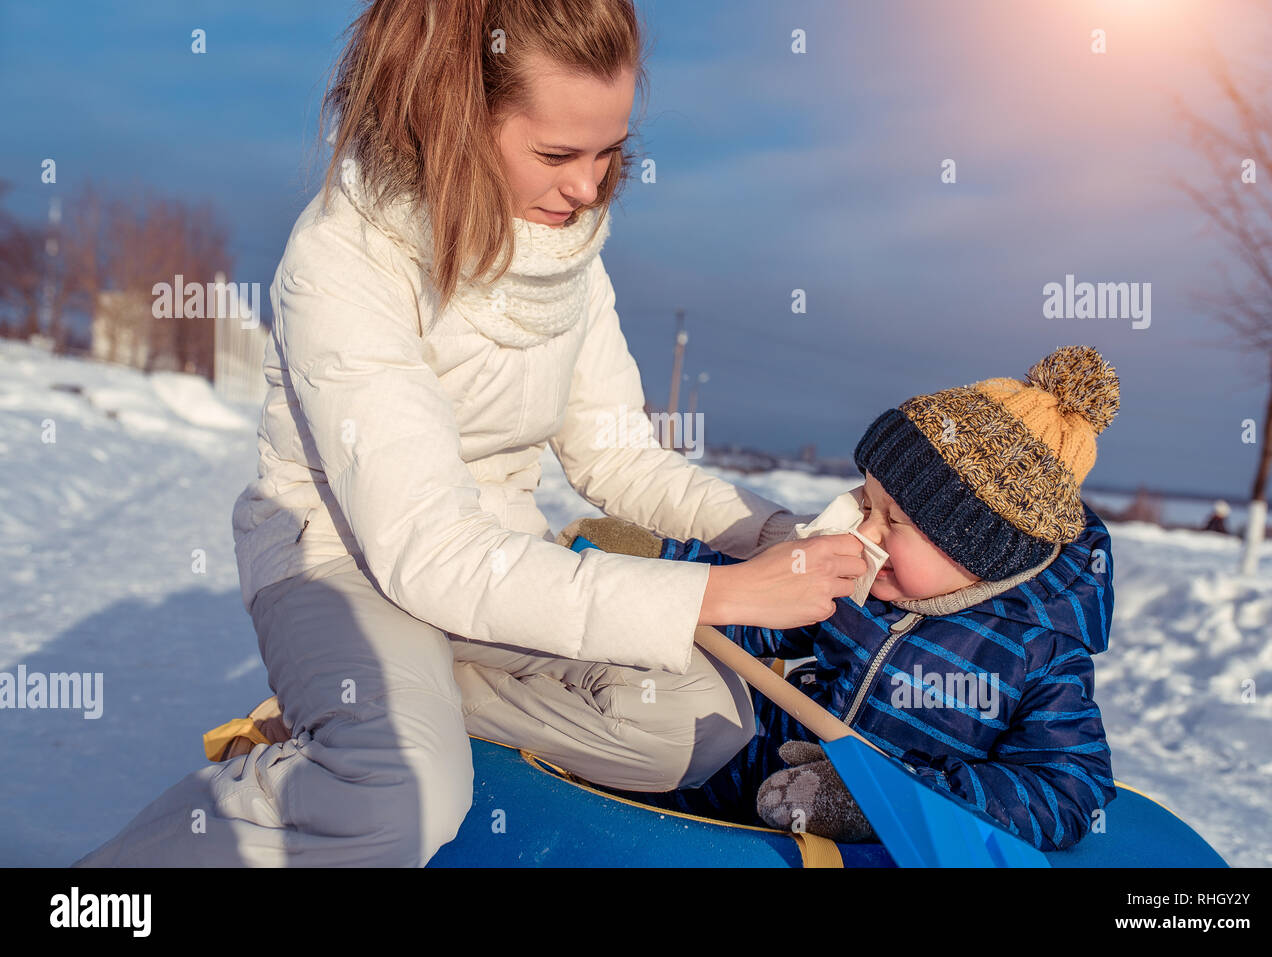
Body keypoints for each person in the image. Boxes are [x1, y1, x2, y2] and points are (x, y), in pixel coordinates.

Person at [70, 0, 866, 868]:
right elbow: (428, 552)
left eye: (609, 149)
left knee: (696, 722)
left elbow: (615, 452)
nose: (590, 187)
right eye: (558, 154)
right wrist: (724, 596)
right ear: (450, 122)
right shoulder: (344, 259)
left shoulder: (568, 249)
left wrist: (776, 536)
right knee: (400, 801)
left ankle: (385, 711)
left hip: (493, 559)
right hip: (345, 565)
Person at [569, 345, 1122, 851]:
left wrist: (877, 799)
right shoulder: (861, 578)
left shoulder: (1039, 657)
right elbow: (754, 607)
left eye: (893, 521)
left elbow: (1068, 790)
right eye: (866, 503)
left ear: (979, 554)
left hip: (852, 850)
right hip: (735, 780)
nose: (866, 531)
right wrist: (660, 562)